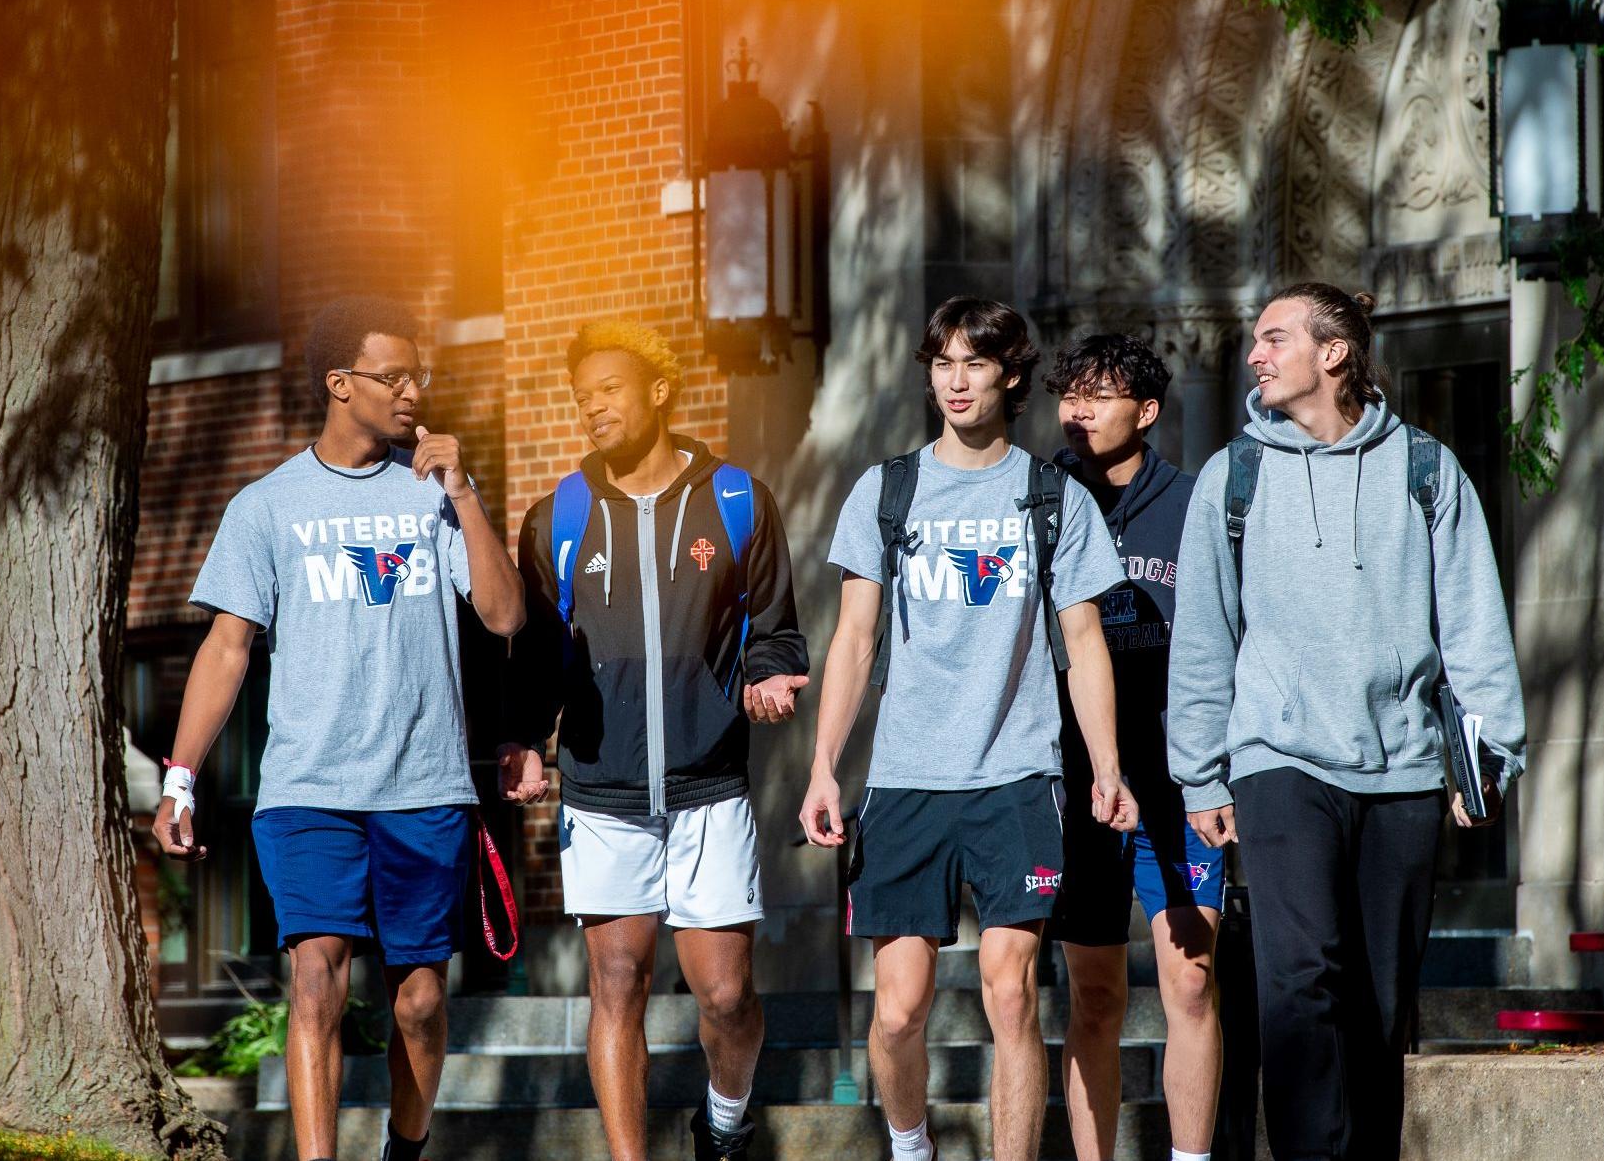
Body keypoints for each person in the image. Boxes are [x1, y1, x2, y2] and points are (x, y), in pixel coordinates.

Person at [154, 296, 526, 1161]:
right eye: (392, 375)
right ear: (338, 382)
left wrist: (463, 493)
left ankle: (405, 1144)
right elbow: (226, 651)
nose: (411, 391)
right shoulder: (266, 506)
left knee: (420, 1002)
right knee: (316, 980)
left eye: (417, 374)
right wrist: (180, 778)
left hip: (423, 787)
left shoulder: (433, 497)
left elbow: (505, 618)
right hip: (307, 790)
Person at [1166, 284, 1525, 1161]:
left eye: (1272, 338)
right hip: (1277, 759)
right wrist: (1199, 772)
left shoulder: (1426, 469)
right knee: (1296, 981)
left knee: (1379, 997)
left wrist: (1489, 754)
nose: (1254, 355)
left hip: (1401, 767)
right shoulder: (1233, 475)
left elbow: (1472, 621)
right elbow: (1204, 634)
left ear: (1333, 352)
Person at [800, 296, 1138, 1161]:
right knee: (898, 1009)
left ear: (1010, 374)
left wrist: (1105, 766)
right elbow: (854, 639)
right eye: (941, 362)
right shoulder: (888, 489)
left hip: (1017, 780)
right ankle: (911, 1145)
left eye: (973, 363)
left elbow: (1084, 642)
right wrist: (823, 767)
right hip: (907, 780)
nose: (954, 380)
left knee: (1010, 993)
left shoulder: (1051, 495)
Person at [500, 318, 809, 1161]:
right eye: (581, 397)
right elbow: (537, 659)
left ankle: (721, 1122)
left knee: (725, 995)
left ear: (658, 392)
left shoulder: (737, 499)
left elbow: (776, 628)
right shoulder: (555, 517)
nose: (591, 407)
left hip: (711, 784)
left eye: (608, 390)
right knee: (617, 982)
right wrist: (526, 739)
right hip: (602, 793)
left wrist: (770, 675)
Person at [1043, 334, 1222, 1161]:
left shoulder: (1195, 504)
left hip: (1176, 773)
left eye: (1098, 395)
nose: (1076, 412)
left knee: (1189, 978)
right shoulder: (1037, 500)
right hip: (1075, 782)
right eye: (1067, 394)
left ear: (1145, 413)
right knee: (1094, 995)